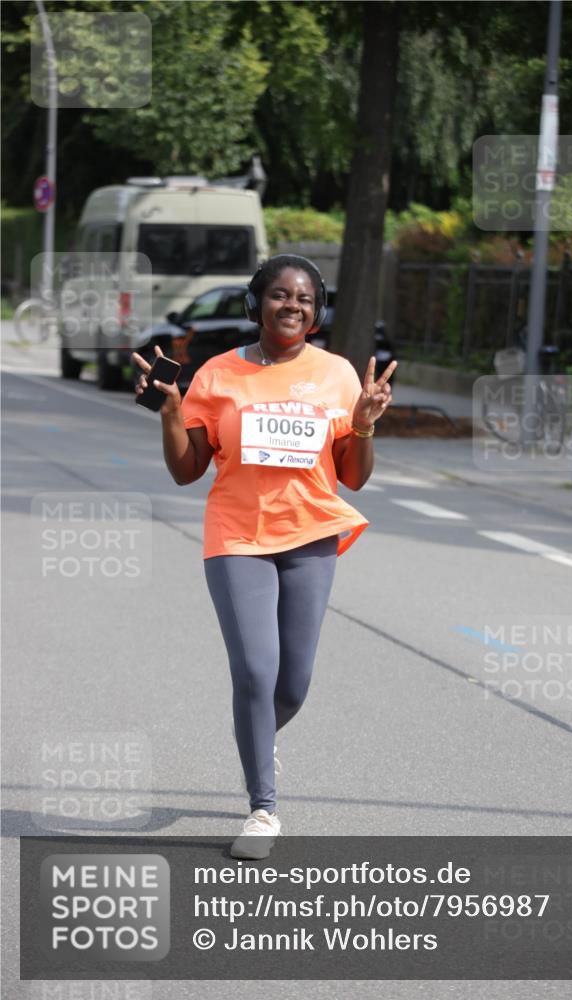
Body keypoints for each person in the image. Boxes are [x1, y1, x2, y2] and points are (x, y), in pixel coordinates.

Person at [133, 254, 397, 859]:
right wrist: (172, 410)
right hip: (237, 537)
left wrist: (363, 425)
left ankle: (255, 736)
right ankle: (263, 808)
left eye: (304, 300)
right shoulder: (217, 375)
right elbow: (186, 470)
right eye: (279, 296)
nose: (292, 307)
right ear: (256, 305)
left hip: (311, 537)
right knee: (255, 671)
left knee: (292, 685)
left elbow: (352, 478)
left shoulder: (337, 375)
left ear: (317, 311)